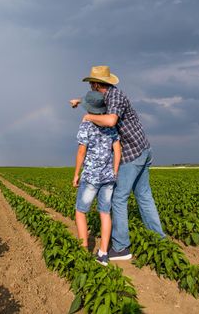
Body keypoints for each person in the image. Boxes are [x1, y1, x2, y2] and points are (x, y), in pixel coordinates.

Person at [70, 65, 165, 261]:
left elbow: (111, 120)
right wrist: (79, 101)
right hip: (143, 149)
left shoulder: (114, 97)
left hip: (132, 154)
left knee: (118, 199)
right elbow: (94, 102)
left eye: (92, 84)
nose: (91, 87)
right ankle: (159, 239)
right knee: (144, 195)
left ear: (96, 83)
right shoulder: (110, 94)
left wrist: (88, 116)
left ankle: (122, 247)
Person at [73, 90, 121, 266]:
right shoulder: (112, 126)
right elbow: (117, 149)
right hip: (108, 177)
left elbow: (81, 151)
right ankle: (103, 254)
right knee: (105, 213)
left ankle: (84, 249)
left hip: (91, 177)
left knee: (81, 211)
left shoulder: (86, 125)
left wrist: (76, 173)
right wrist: (114, 171)